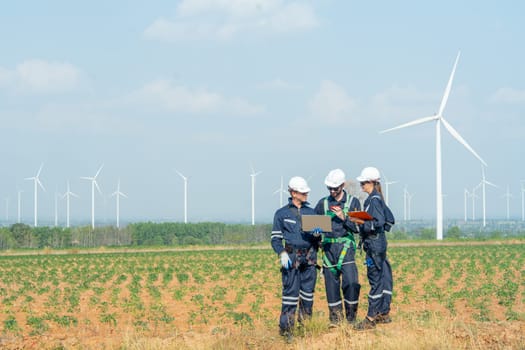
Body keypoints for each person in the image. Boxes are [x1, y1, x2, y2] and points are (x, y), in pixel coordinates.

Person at [271, 176, 321, 341]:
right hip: (291, 257)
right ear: (293, 192)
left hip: (310, 257)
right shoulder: (281, 213)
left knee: (308, 294)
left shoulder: (311, 212)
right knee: (290, 295)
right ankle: (287, 331)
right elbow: (275, 239)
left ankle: (305, 327)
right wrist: (282, 253)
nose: (306, 194)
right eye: (302, 191)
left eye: (306, 191)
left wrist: (318, 234)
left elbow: (319, 238)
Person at [314, 169, 361, 325]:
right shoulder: (322, 204)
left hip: (346, 249)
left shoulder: (353, 203)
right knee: (331, 287)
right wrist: (315, 232)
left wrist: (344, 217)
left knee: (351, 283)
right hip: (328, 250)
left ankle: (351, 318)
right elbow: (312, 226)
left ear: (343, 185)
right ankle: (335, 320)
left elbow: (359, 228)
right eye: (330, 188)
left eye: (336, 188)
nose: (332, 191)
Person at [350, 166, 393, 330]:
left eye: (363, 183)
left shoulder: (374, 200)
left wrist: (360, 221)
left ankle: (371, 318)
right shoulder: (378, 198)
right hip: (378, 243)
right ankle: (383, 312)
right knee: (382, 277)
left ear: (371, 182)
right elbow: (389, 219)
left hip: (374, 246)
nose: (361, 185)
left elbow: (380, 221)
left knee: (375, 279)